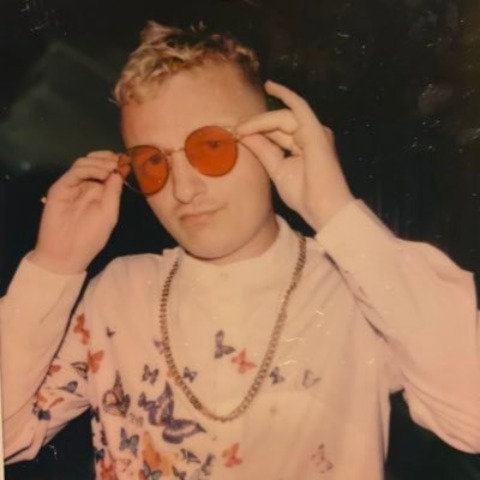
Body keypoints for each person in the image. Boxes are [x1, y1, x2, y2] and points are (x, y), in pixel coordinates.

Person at [1, 21, 479, 480]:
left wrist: (337, 212)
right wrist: (53, 266)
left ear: (271, 137)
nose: (183, 189)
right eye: (153, 162)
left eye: (211, 147)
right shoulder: (118, 295)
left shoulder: (355, 286)